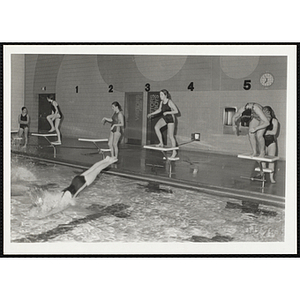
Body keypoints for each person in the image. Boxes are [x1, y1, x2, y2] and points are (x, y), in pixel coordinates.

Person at [32, 156, 118, 218]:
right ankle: (106, 159)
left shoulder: (64, 200)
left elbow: (71, 204)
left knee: (97, 170)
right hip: (76, 180)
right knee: (93, 168)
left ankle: (109, 161)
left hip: (83, 182)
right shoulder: (59, 195)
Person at [147, 89, 178, 158]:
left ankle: (174, 152)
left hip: (170, 119)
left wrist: (167, 112)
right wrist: (151, 114)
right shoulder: (161, 102)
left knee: (171, 136)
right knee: (156, 127)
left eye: (161, 95)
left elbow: (176, 111)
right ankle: (161, 142)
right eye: (160, 94)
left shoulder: (169, 102)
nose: (160, 96)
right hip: (165, 118)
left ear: (165, 95)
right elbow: (159, 110)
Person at [262, 106, 279, 183]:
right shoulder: (262, 120)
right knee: (262, 160)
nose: (264, 113)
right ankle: (263, 176)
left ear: (269, 112)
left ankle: (271, 177)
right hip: (262, 141)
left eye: (266, 111)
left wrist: (265, 132)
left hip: (271, 141)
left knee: (271, 160)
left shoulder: (274, 120)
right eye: (263, 111)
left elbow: (274, 132)